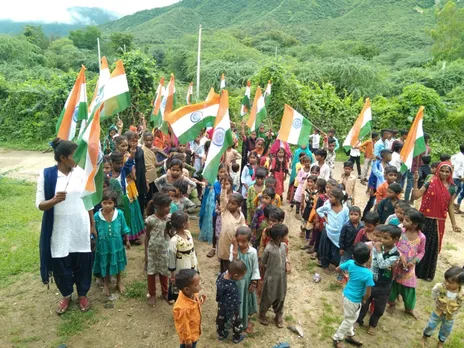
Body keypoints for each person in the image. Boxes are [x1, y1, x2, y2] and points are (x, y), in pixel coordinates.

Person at [36, 138, 95, 314]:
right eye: (74, 156)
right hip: (59, 229)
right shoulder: (47, 175)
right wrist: (53, 201)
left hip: (80, 226)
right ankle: (67, 295)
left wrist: (92, 224)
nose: (77, 159)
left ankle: (83, 294)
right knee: (61, 263)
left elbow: (89, 201)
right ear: (62, 158)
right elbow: (40, 204)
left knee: (83, 261)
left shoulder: (81, 173)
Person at [412, 162, 461, 281]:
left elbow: (450, 206)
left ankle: (427, 274)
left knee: (433, 247)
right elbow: (416, 196)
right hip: (425, 219)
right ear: (438, 170)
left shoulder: (453, 187)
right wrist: (415, 181)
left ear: (450, 173)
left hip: (439, 222)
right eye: (442, 171)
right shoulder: (431, 182)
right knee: (421, 245)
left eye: (447, 171)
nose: (444, 173)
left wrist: (454, 224)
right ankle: (414, 270)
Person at [356, 225, 401, 334]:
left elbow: (382, 264)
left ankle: (373, 324)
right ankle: (359, 320)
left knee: (379, 308)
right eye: (382, 237)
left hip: (383, 285)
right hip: (371, 282)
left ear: (395, 240)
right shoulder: (377, 247)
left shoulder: (395, 254)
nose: (382, 240)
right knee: (364, 302)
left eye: (386, 238)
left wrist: (378, 251)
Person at [332, 243, 374, 348]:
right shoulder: (368, 274)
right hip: (355, 300)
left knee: (352, 317)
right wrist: (364, 300)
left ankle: (350, 335)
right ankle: (337, 338)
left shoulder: (350, 263)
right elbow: (368, 293)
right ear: (369, 257)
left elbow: (337, 269)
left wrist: (345, 276)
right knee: (349, 319)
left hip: (346, 294)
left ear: (353, 256)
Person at [387, 209, 426, 318]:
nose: (403, 222)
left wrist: (414, 261)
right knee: (393, 285)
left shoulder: (421, 237)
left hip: (409, 268)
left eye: (407, 220)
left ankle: (409, 308)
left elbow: (421, 252)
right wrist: (401, 255)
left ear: (415, 224)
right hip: (395, 264)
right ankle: (391, 303)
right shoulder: (400, 231)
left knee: (409, 288)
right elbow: (394, 244)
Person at [93, 190, 130, 296]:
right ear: (101, 203)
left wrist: (127, 240)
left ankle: (119, 281)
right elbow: (94, 231)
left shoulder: (119, 214)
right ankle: (105, 283)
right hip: (102, 245)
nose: (107, 206)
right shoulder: (96, 216)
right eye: (105, 203)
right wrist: (94, 242)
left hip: (117, 244)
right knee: (104, 262)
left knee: (117, 261)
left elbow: (124, 228)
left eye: (110, 203)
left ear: (114, 203)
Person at [420, 266, 464, 348]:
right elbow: (434, 291)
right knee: (431, 325)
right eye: (446, 280)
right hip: (438, 312)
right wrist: (436, 300)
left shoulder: (461, 293)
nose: (447, 283)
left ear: (460, 283)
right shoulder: (440, 287)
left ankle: (441, 342)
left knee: (446, 330)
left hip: (450, 316)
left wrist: (456, 309)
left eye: (450, 282)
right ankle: (424, 337)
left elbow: (461, 303)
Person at [109, 150, 145, 244]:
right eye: (117, 163)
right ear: (111, 163)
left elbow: (129, 163)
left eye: (121, 163)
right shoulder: (108, 174)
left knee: (126, 218)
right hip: (111, 200)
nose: (120, 165)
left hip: (123, 199)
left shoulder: (123, 170)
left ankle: (128, 238)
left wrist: (132, 154)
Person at [258, 223, 290, 328]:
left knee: (281, 296)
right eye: (286, 235)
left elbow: (285, 257)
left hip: (282, 278)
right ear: (279, 237)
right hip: (271, 278)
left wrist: (287, 264)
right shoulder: (268, 249)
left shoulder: (284, 246)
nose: (287, 237)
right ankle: (262, 314)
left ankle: (278, 315)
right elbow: (262, 263)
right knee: (268, 296)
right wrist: (262, 279)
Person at [230, 226, 260, 333]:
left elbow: (255, 268)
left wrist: (254, 282)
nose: (241, 244)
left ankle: (246, 321)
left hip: (247, 282)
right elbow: (232, 263)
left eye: (244, 241)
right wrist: (234, 247)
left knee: (246, 301)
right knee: (236, 301)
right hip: (236, 282)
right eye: (238, 241)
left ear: (249, 240)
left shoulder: (252, 252)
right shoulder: (234, 250)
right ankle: (235, 320)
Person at [145, 193, 173, 307]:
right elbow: (147, 236)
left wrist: (171, 227)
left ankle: (165, 293)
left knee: (164, 272)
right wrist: (146, 254)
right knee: (151, 272)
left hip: (165, 250)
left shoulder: (169, 219)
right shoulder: (150, 220)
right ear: (158, 207)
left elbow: (171, 235)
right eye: (166, 206)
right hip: (152, 251)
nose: (169, 208)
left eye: (169, 205)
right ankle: (152, 294)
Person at [317, 188, 350, 274]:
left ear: (338, 199)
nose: (329, 199)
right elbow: (319, 210)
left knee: (336, 249)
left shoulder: (345, 209)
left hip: (338, 234)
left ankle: (333, 263)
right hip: (328, 231)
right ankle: (325, 265)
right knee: (325, 248)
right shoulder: (328, 206)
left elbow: (347, 221)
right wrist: (324, 218)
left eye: (331, 197)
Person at [167, 211, 199, 301]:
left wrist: (196, 264)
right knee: (183, 288)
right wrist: (173, 276)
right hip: (182, 267)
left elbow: (193, 250)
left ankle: (191, 302)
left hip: (191, 264)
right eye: (188, 220)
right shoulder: (174, 241)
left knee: (191, 284)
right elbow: (172, 259)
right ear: (184, 224)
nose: (189, 222)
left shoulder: (188, 233)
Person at [217, 179, 246, 273]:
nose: (230, 205)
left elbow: (244, 230)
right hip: (224, 245)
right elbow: (223, 198)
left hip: (234, 246)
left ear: (239, 205)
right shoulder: (225, 211)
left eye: (233, 204)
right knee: (224, 266)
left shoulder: (241, 217)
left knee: (233, 266)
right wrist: (223, 188)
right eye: (229, 202)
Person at [216, 259, 247, 344]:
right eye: (242, 276)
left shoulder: (221, 276)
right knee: (236, 322)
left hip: (221, 304)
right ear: (236, 276)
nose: (242, 278)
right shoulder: (232, 287)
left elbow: (218, 288)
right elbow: (235, 299)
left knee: (220, 319)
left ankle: (221, 334)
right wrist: (236, 307)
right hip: (231, 308)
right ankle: (237, 337)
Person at [173, 269, 205, 348]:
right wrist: (188, 342)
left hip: (194, 331)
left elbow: (194, 302)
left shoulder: (189, 293)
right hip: (189, 339)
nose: (200, 286)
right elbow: (184, 327)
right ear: (187, 289)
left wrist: (201, 300)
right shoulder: (183, 309)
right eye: (197, 284)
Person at [363, 149, 392, 218]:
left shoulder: (389, 166)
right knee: (371, 203)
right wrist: (371, 187)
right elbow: (372, 176)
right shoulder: (378, 164)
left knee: (380, 204)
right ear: (384, 156)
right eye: (389, 155)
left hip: (385, 190)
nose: (391, 157)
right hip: (376, 188)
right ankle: (364, 217)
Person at [451, 144, 464, 213]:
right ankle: (450, 204)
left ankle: (451, 203)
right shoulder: (461, 158)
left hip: (453, 175)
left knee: (457, 190)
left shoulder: (455, 156)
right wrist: (460, 176)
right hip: (457, 177)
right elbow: (457, 168)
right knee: (455, 191)